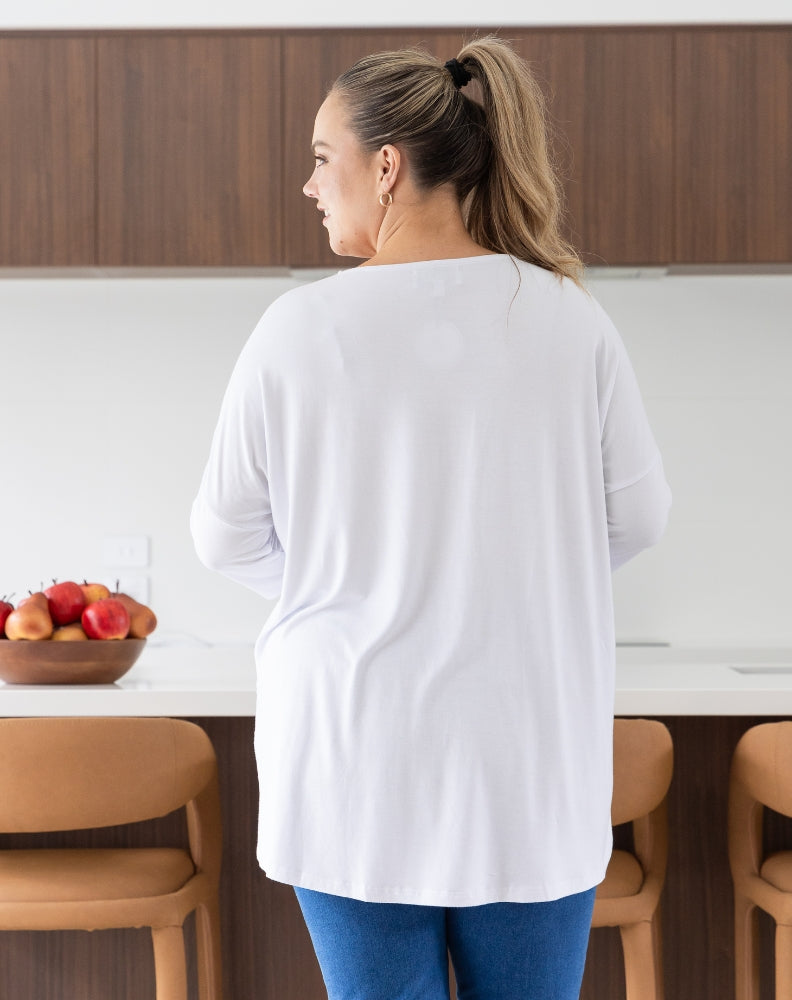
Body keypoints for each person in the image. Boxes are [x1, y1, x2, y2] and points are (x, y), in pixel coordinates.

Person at [191, 35, 671, 1000]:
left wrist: (357, 583)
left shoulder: (300, 329)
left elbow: (225, 534)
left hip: (351, 762)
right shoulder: (568, 318)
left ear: (385, 166)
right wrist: (501, 581)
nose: (310, 185)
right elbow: (638, 519)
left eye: (322, 158)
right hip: (525, 765)